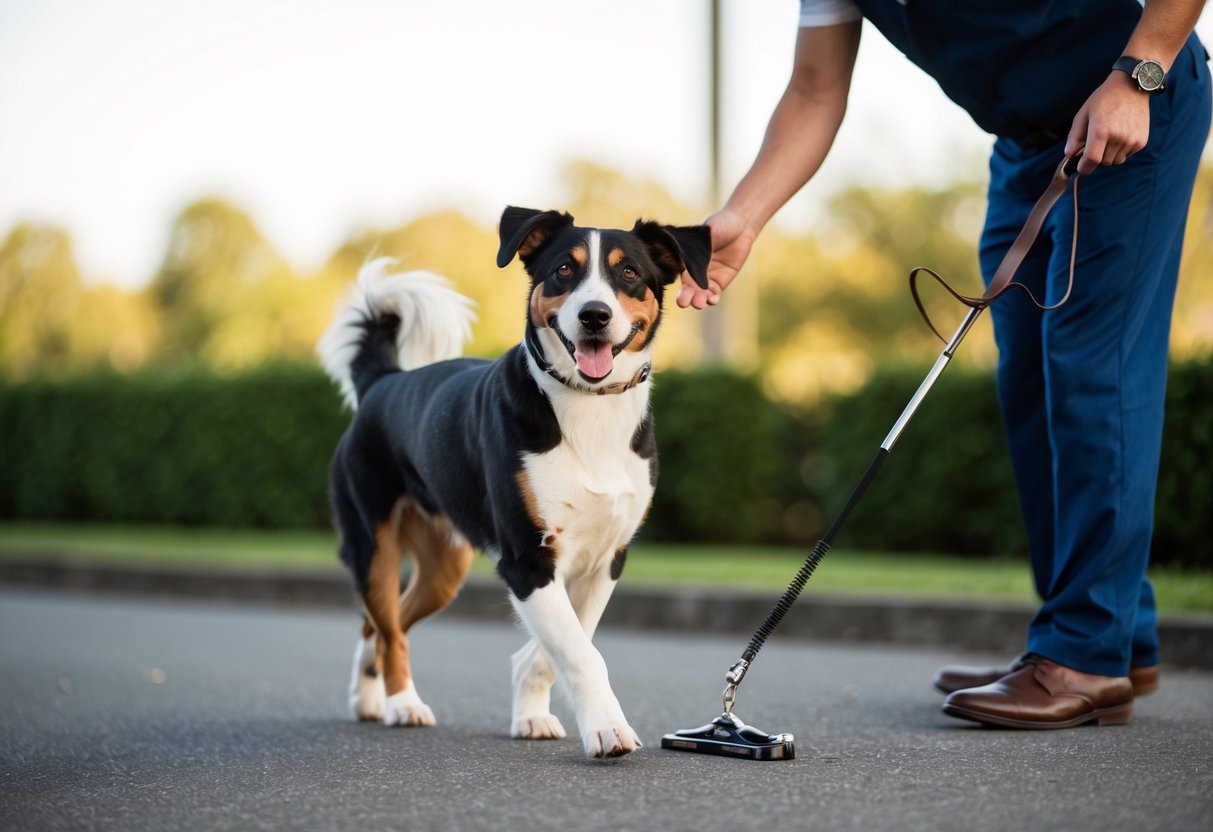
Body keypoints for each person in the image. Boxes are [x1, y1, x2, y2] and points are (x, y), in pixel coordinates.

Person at [678, 0, 1211, 729]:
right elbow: (812, 90)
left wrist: (1139, 70)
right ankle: (1117, 633)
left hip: (1129, 108)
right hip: (1026, 146)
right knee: (1028, 385)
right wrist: (744, 214)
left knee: (1092, 369)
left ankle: (1083, 651)